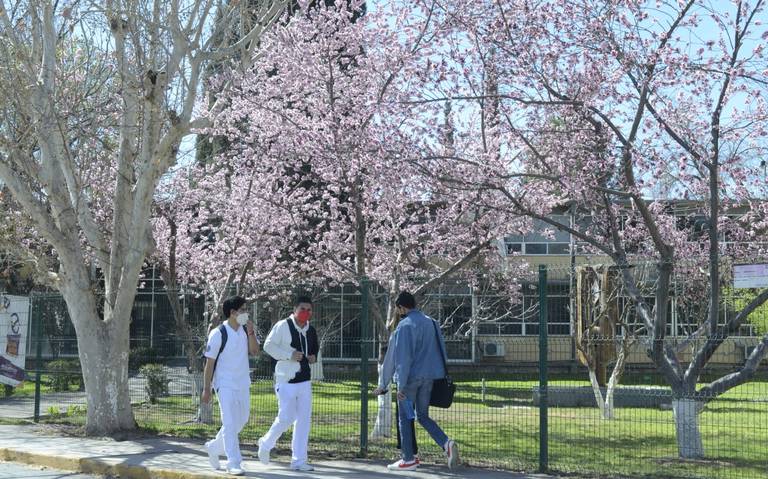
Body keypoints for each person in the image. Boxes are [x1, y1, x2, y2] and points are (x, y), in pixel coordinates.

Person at [387, 291, 459, 471]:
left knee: (405, 417)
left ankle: (408, 459)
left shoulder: (404, 326)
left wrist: (400, 385)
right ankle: (446, 443)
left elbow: (403, 359)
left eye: (398, 309)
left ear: (401, 307)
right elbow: (440, 350)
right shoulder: (432, 323)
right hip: (430, 377)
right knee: (423, 416)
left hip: (410, 379)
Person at [258, 295, 319, 472]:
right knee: (286, 417)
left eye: (309, 310)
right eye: (302, 309)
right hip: (285, 380)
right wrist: (289, 354)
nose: (305, 313)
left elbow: (314, 350)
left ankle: (299, 461)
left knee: (303, 421)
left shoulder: (311, 329)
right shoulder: (283, 325)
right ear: (294, 309)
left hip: (305, 381)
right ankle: (266, 442)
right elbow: (268, 346)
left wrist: (313, 357)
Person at [202, 295, 261, 476]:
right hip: (224, 383)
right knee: (228, 422)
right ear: (232, 312)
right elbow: (209, 363)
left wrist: (251, 333)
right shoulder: (219, 333)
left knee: (240, 420)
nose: (246, 313)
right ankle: (233, 462)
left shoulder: (244, 331)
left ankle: (213, 447)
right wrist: (207, 389)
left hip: (242, 382)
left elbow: (255, 351)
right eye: (243, 310)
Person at [371, 312, 419, 463]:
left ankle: (409, 455)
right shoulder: (418, 330)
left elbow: (391, 360)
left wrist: (383, 384)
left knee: (404, 418)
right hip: (421, 379)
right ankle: (412, 452)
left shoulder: (398, 332)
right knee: (414, 417)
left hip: (404, 382)